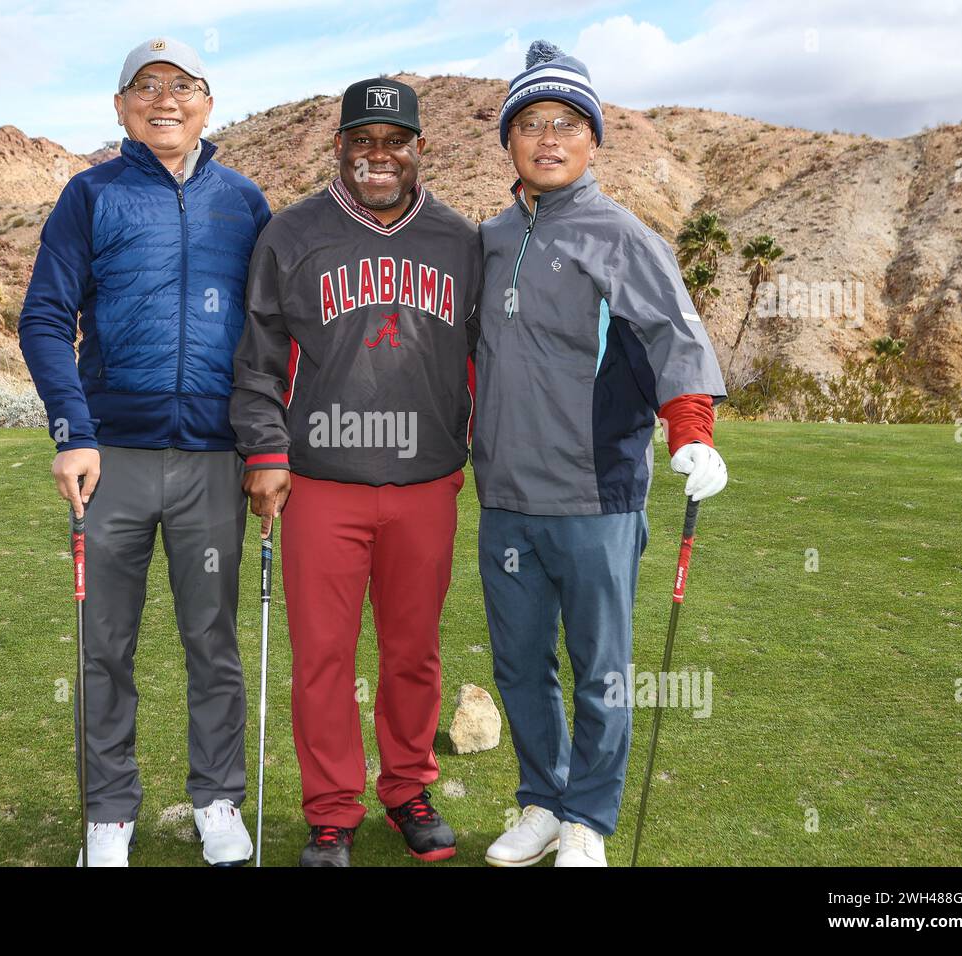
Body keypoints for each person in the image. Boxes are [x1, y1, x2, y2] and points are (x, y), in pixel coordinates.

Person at [474, 41, 729, 868]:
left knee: (602, 670)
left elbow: (673, 338)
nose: (549, 137)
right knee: (518, 664)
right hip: (506, 496)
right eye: (532, 123)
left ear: (593, 141)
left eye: (569, 124)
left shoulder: (624, 236)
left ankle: (589, 820)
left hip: (597, 495)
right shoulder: (487, 238)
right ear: (509, 139)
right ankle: (541, 801)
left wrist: (691, 434)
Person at [19, 36, 271, 867]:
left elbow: (270, 333)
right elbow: (45, 318)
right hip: (110, 459)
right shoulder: (89, 195)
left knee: (213, 641)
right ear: (120, 105)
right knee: (105, 647)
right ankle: (110, 815)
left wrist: (267, 445)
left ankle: (217, 801)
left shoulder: (245, 201)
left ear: (209, 101)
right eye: (145, 86)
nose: (164, 100)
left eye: (183, 86)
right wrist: (72, 429)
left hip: (213, 462)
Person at [230, 78, 481, 867]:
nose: (379, 156)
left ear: (418, 150)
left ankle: (407, 789)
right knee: (325, 658)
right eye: (362, 141)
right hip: (321, 483)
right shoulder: (292, 233)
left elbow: (483, 360)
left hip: (424, 484)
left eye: (394, 141)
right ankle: (332, 810)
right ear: (338, 146)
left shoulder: (459, 239)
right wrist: (266, 451)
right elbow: (259, 360)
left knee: (413, 652)